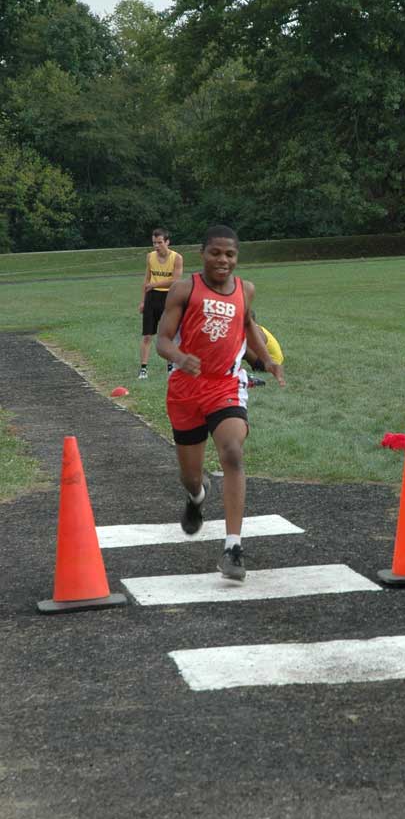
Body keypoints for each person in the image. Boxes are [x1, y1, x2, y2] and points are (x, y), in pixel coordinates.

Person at [156, 225, 282, 581]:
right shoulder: (184, 289)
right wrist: (180, 357)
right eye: (216, 253)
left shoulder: (246, 290)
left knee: (232, 452)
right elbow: (163, 340)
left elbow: (248, 325)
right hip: (185, 389)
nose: (223, 260)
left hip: (224, 385)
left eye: (230, 254)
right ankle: (197, 497)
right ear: (203, 253)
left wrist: (265, 360)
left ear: (236, 257)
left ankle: (233, 548)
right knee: (190, 475)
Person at [138, 226, 183, 379]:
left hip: (168, 298)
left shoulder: (176, 258)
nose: (156, 246)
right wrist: (143, 301)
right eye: (154, 243)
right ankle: (143, 369)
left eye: (159, 242)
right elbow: (146, 279)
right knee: (147, 336)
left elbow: (175, 280)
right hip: (151, 297)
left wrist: (155, 284)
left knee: (168, 335)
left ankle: (170, 366)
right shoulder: (150, 257)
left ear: (167, 242)